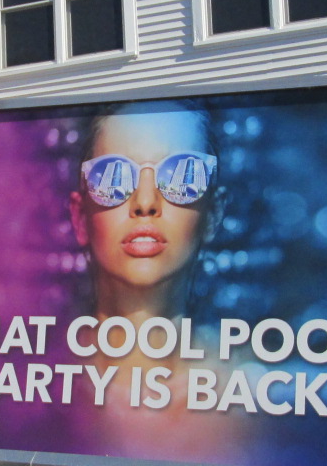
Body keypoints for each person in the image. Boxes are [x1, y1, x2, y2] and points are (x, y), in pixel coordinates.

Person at [67, 102, 221, 372]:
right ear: (80, 218)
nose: (146, 203)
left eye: (182, 175)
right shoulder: (26, 378)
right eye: (112, 178)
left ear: (212, 215)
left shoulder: (258, 390)